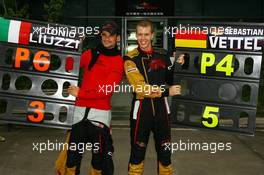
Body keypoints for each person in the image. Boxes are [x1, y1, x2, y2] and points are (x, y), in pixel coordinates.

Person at [55, 21, 124, 175]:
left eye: (111, 36)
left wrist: (82, 94)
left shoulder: (119, 62)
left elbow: (106, 90)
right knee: (72, 157)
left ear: (118, 38)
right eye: (104, 35)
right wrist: (74, 46)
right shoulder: (91, 53)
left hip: (100, 116)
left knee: (99, 159)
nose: (107, 39)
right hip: (79, 113)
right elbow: (68, 66)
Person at [124, 19, 184, 175]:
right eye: (139, 34)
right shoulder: (130, 58)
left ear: (152, 35)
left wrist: (179, 63)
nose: (142, 38)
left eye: (146, 34)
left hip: (162, 110)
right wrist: (166, 92)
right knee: (137, 154)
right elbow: (140, 87)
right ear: (135, 35)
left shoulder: (163, 54)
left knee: (165, 154)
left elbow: (171, 80)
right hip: (141, 110)